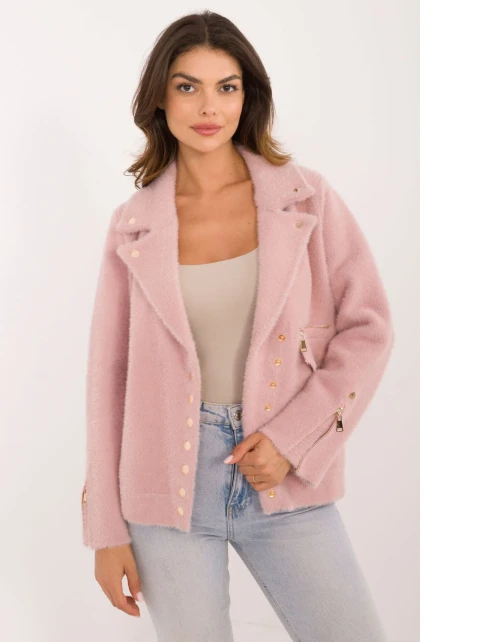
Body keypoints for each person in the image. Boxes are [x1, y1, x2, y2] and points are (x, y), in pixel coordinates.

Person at [82, 11, 394, 641]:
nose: (209, 106)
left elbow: (369, 328)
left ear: (248, 96)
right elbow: (109, 377)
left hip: (282, 473)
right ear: (160, 98)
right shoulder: (133, 225)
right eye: (187, 86)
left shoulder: (305, 199)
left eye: (226, 87)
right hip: (165, 488)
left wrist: (293, 440)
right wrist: (106, 530)